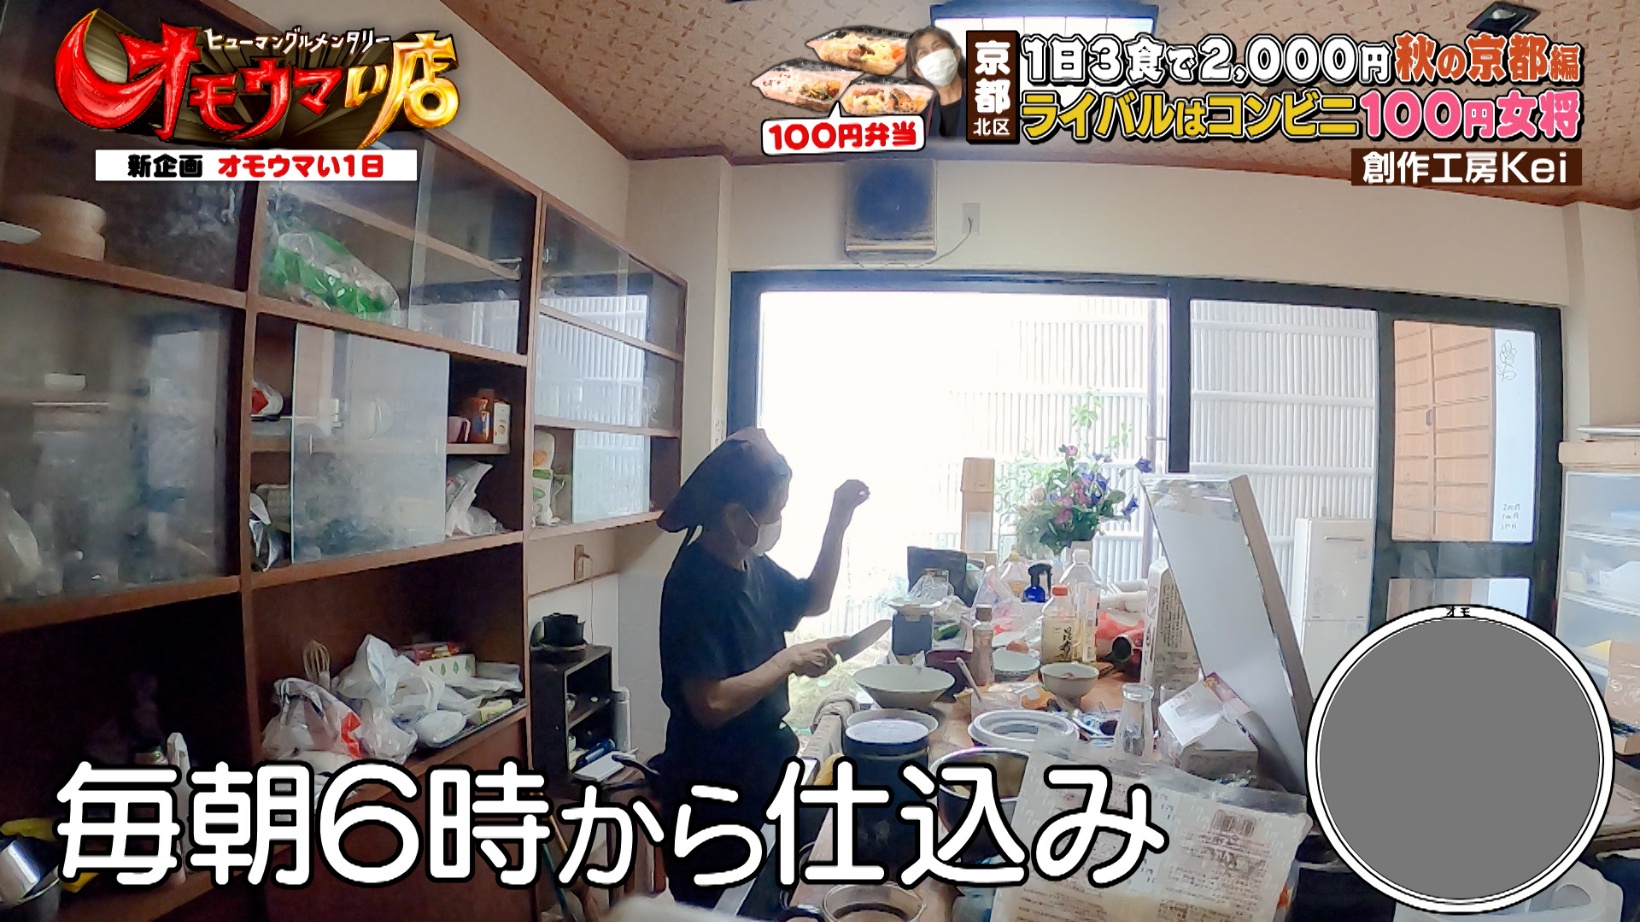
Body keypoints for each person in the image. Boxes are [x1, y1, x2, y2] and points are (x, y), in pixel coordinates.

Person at [654, 428, 869, 910]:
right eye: (773, 511)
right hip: (713, 796)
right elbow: (710, 703)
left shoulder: (753, 566)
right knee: (725, 909)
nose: (777, 522)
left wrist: (838, 519)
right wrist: (788, 660)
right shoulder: (692, 583)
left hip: (764, 774)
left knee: (773, 898)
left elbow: (814, 599)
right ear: (735, 517)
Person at [907, 26, 966, 140]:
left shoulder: (988, 98)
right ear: (918, 71)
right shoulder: (922, 117)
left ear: (956, 54)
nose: (933, 56)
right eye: (923, 53)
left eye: (938, 46)